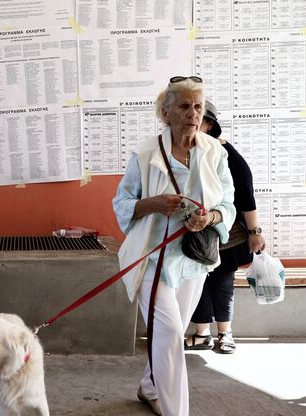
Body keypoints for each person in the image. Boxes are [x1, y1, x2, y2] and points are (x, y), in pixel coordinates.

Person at [112, 76, 236, 416]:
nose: (193, 114)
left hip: (192, 260)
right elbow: (121, 203)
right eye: (184, 106)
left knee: (170, 336)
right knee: (169, 337)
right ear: (166, 114)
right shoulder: (145, 153)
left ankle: (149, 387)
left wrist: (209, 218)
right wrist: (153, 203)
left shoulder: (215, 153)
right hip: (152, 261)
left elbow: (229, 204)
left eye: (197, 106)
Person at [184, 101, 266, 354]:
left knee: (221, 283)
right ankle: (201, 333)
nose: (194, 122)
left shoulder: (224, 152)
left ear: (210, 125)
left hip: (227, 233)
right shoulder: (184, 151)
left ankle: (225, 333)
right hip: (195, 232)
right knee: (197, 282)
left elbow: (246, 196)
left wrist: (254, 233)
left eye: (201, 119)